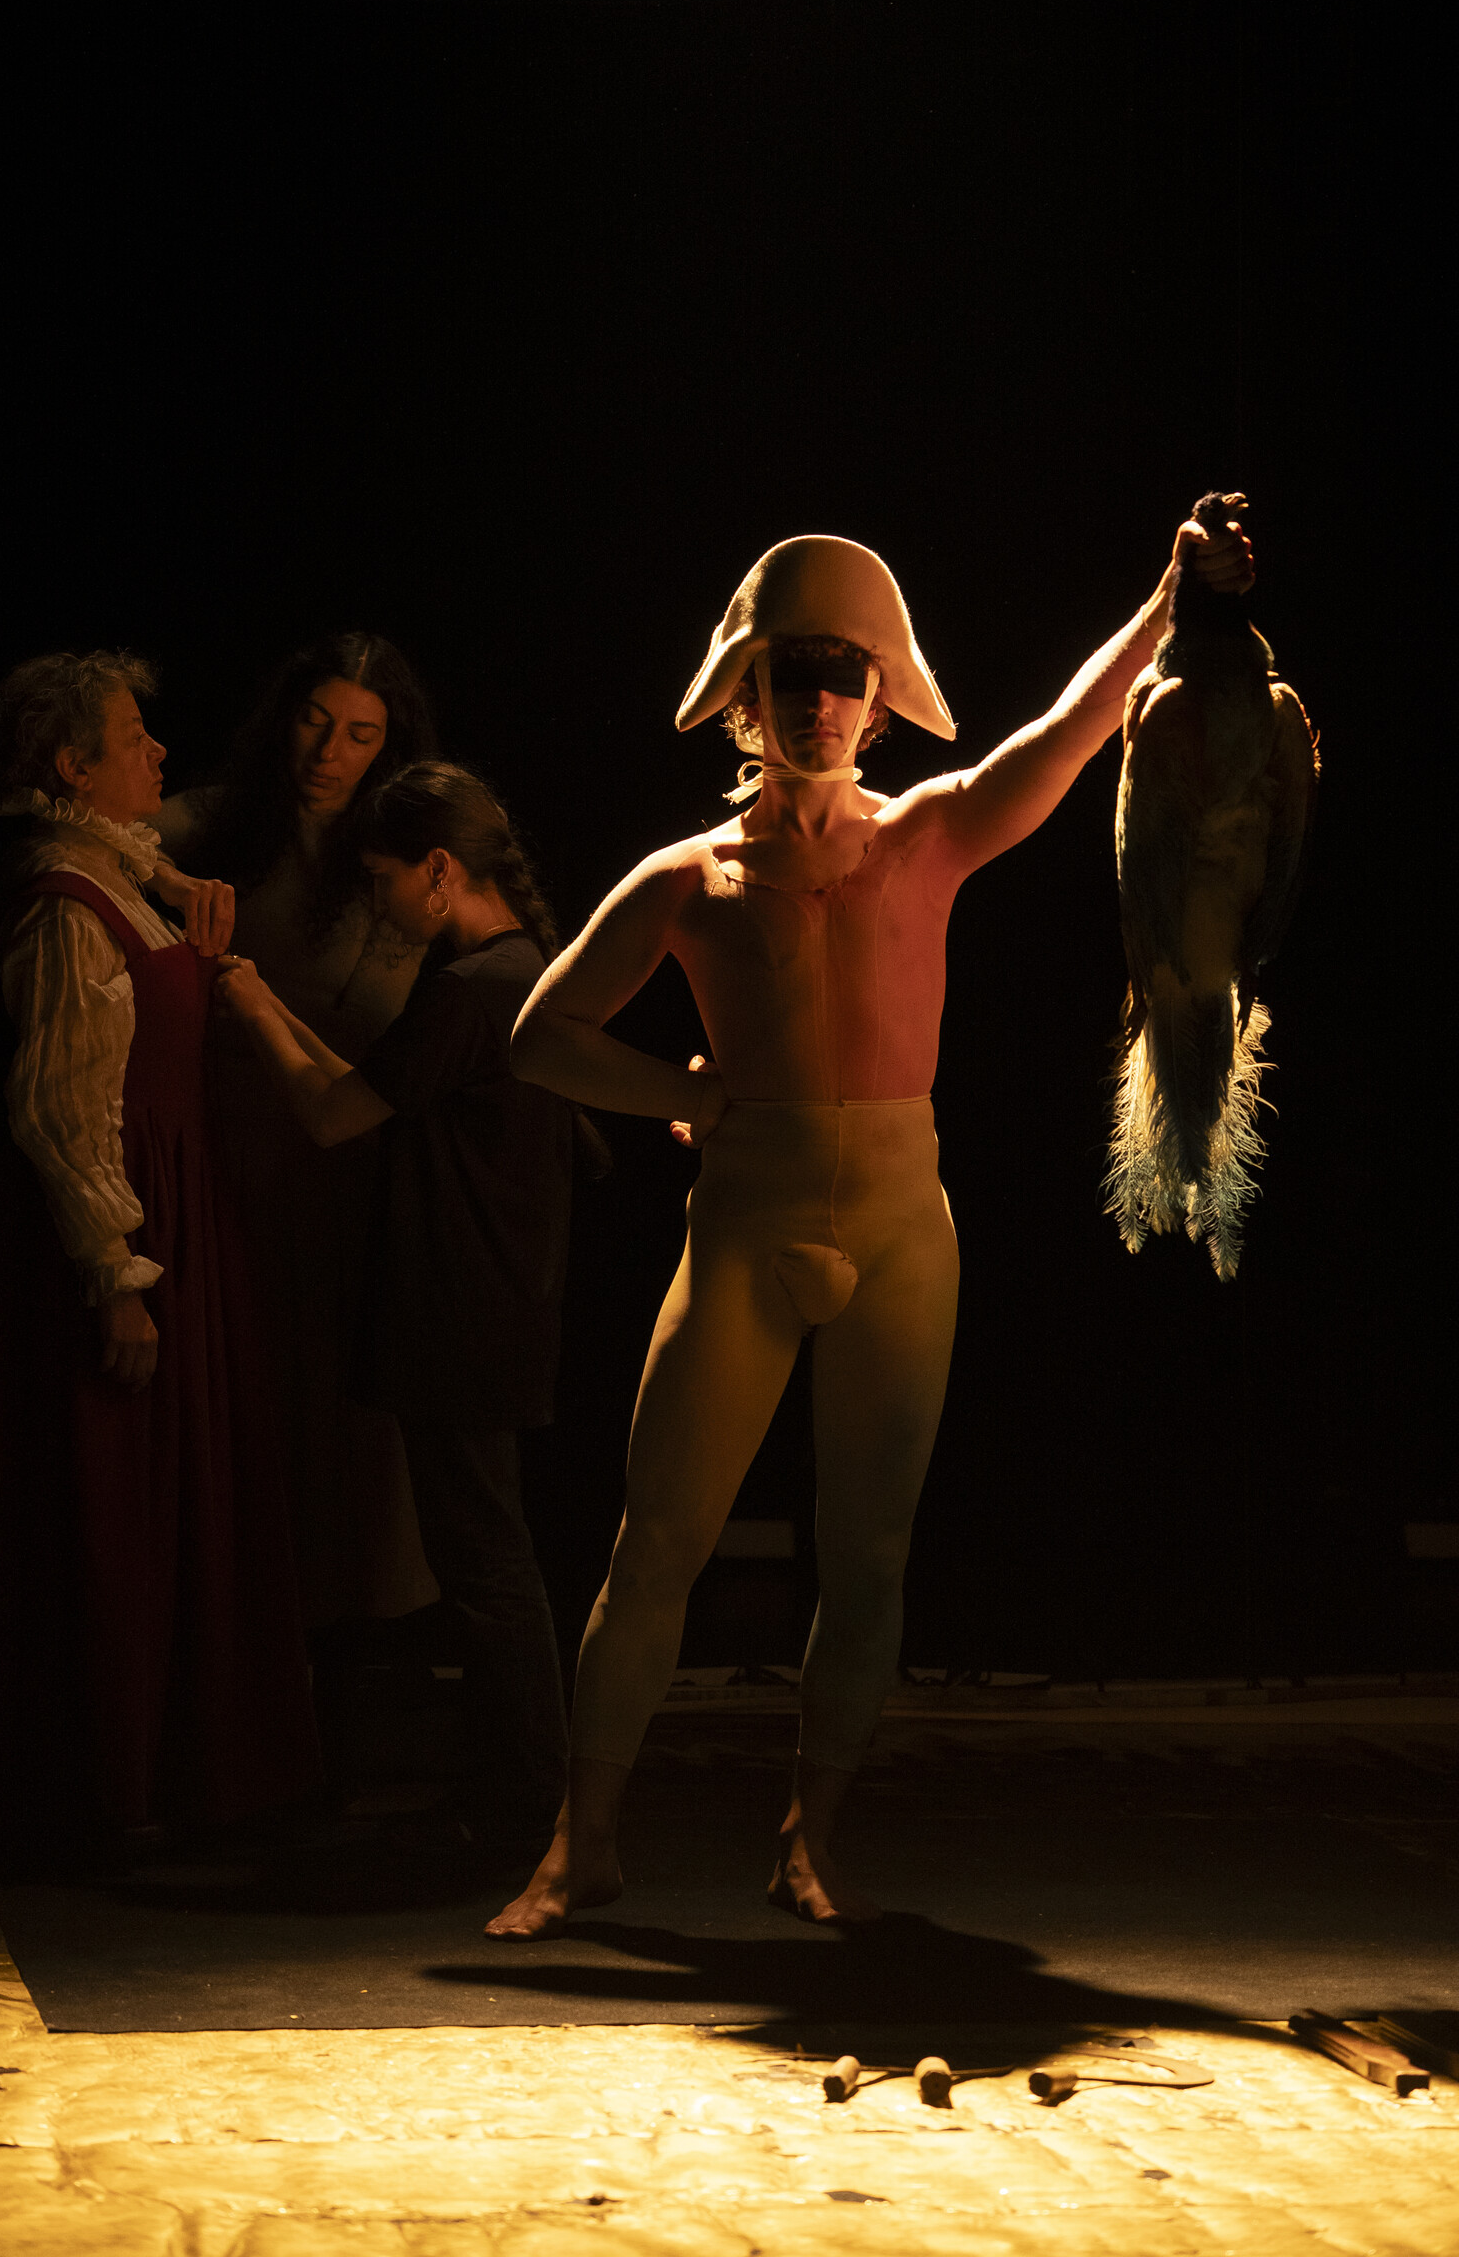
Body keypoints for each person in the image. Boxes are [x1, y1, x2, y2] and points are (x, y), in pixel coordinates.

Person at [486, 506, 1257, 1940]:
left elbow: (1073, 733)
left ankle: (810, 1836)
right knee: (657, 1546)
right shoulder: (688, 879)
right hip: (746, 1233)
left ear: (881, 693)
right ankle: (580, 1844)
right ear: (751, 692)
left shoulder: (928, 836)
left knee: (871, 1554)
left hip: (905, 1225)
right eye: (798, 675)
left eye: (849, 675)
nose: (825, 702)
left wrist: (1165, 593)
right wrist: (684, 1089)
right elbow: (540, 1037)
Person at [0, 650, 320, 1845]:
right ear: (72, 767)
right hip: (126, 1219)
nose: (158, 754)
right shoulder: (63, 900)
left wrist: (193, 922)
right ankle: (95, 1780)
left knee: (168, 1492)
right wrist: (116, 1277)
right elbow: (60, 1104)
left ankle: (167, 1770)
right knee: (112, 1495)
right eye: (130, 737)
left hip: (178, 1200)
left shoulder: (115, 872)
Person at [216, 760, 574, 1855]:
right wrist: (275, 1003)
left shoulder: (476, 988)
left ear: (436, 870)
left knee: (486, 1565)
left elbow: (332, 1114)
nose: (377, 905)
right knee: (485, 1557)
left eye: (382, 882)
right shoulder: (508, 973)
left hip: (464, 1308)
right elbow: (373, 1094)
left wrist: (243, 998)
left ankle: (523, 1805)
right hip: (483, 1302)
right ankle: (516, 1795)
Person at [157, 633, 443, 1647]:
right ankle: (239, 1632)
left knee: (354, 1415)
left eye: (359, 733)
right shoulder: (227, 818)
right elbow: (94, 841)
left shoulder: (406, 843)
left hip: (354, 1147)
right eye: (316, 721)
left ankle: (359, 1647)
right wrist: (161, 880)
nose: (329, 748)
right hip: (235, 1148)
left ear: (387, 743)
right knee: (243, 1392)